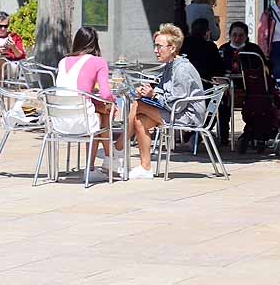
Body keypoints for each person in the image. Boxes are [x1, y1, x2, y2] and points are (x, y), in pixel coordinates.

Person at [127, 24, 205, 180]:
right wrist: (148, 92)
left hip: (187, 116)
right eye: (155, 46)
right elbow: (164, 90)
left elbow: (178, 104)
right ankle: (145, 167)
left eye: (159, 46)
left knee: (138, 104)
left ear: (172, 48)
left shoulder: (181, 69)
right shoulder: (170, 65)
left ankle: (119, 147)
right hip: (175, 111)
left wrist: (153, 95)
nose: (156, 50)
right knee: (140, 119)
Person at [54, 26, 120, 173]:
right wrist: (113, 102)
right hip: (82, 121)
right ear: (95, 43)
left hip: (58, 122)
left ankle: (108, 161)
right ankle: (106, 161)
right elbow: (106, 94)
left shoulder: (63, 61)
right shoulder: (98, 61)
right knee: (105, 113)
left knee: (100, 112)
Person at [180, 18, 223, 84]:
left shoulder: (182, 44)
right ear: (207, 32)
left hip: (183, 82)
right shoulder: (210, 47)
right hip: (204, 85)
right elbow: (218, 69)